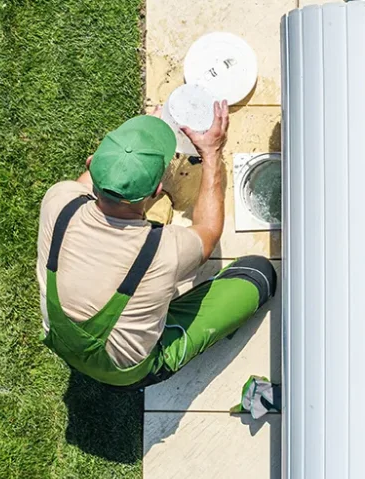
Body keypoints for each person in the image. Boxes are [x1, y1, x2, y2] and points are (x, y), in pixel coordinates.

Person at [36, 101, 276, 390]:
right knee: (258, 274)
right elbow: (209, 231)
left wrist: (137, 139)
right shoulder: (165, 250)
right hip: (126, 372)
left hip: (63, 339)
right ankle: (157, 358)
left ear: (91, 163)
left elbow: (100, 177)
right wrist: (212, 153)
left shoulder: (59, 200)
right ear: (156, 190)